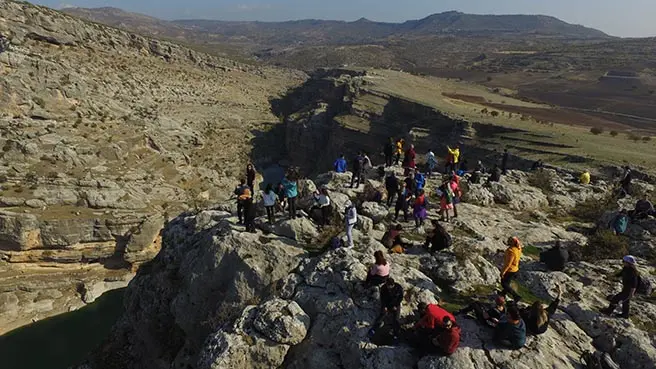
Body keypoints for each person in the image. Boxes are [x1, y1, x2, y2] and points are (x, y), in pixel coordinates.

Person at [500, 236, 523, 302]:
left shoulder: (511, 251)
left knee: (504, 283)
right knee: (507, 282)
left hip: (510, 269)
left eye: (509, 240)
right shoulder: (518, 248)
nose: (508, 241)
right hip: (515, 268)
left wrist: (503, 271)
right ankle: (503, 293)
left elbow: (508, 263)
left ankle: (516, 296)